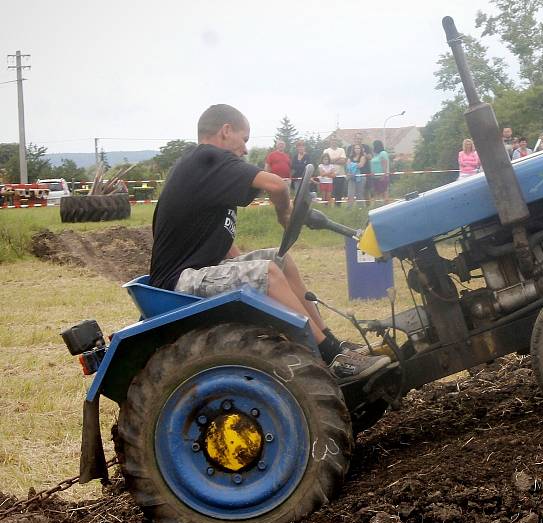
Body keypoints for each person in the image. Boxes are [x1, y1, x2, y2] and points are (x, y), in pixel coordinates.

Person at [149, 104, 389, 382]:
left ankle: (334, 343)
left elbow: (216, 238)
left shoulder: (204, 172)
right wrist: (284, 214)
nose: (246, 149)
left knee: (279, 260)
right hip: (177, 284)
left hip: (193, 274)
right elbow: (277, 185)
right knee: (267, 272)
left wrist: (244, 264)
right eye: (245, 138)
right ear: (226, 131)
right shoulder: (207, 157)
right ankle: (329, 355)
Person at [323, 138, 347, 205]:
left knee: (338, 192)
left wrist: (331, 160)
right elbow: (325, 161)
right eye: (332, 140)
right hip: (329, 175)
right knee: (328, 192)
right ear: (330, 142)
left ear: (337, 141)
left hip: (340, 175)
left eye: (335, 140)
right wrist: (338, 158)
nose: (334, 141)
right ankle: (326, 206)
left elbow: (343, 161)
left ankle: (338, 206)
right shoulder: (326, 151)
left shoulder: (341, 150)